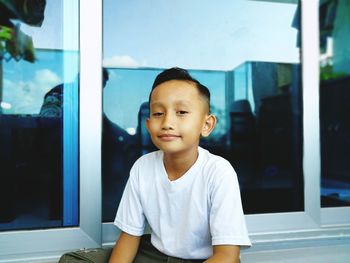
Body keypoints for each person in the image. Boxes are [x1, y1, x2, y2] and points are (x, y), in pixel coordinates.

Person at [109, 67, 251, 263]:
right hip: (157, 255)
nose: (167, 122)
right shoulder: (142, 167)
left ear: (206, 125)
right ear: (148, 125)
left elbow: (227, 255)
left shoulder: (218, 171)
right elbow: (129, 238)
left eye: (181, 112)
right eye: (158, 113)